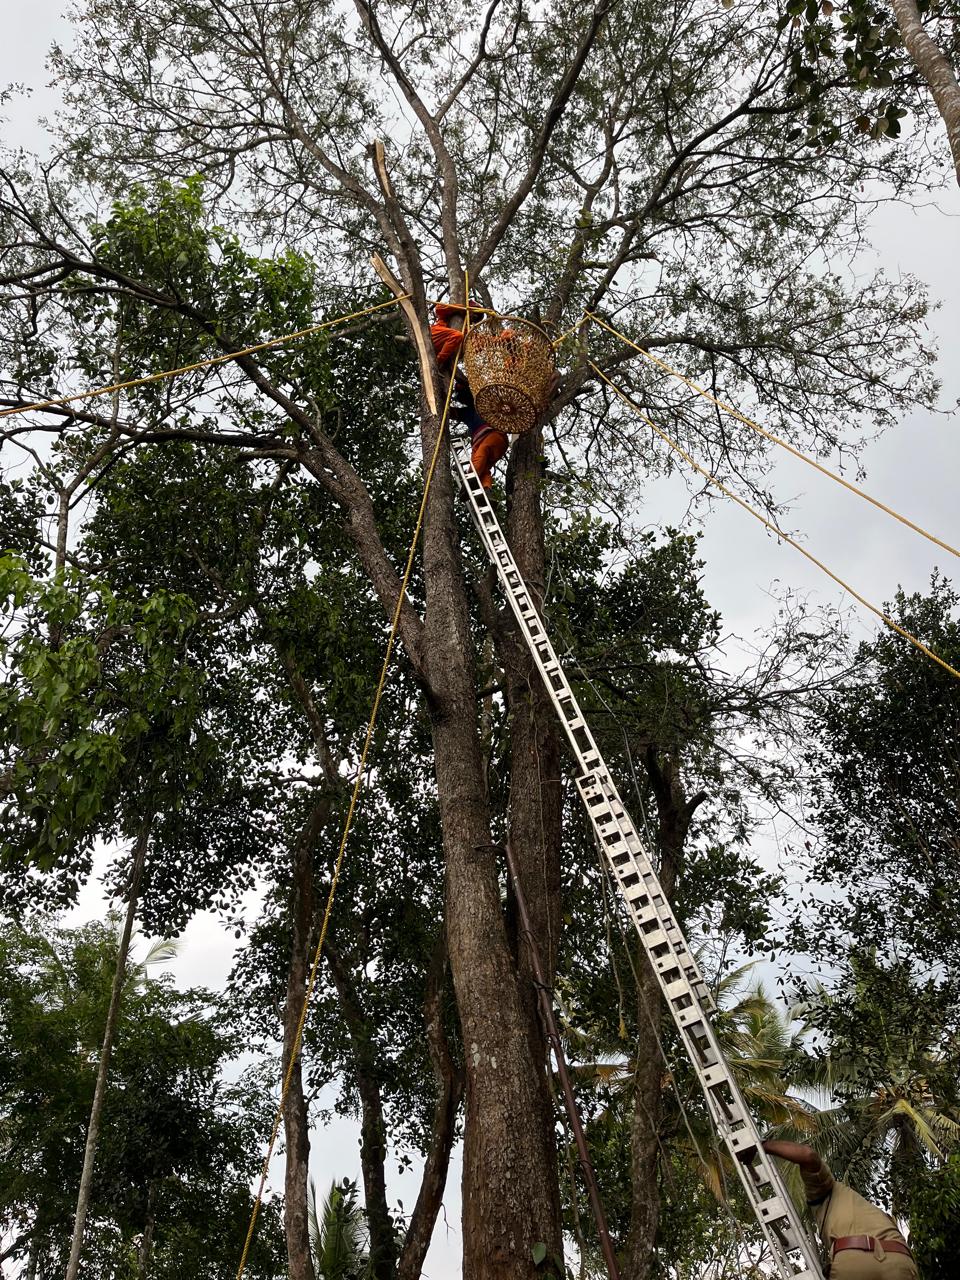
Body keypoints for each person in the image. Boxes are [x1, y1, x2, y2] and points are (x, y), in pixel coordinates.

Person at [760, 1140, 918, 1278]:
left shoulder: (824, 1187)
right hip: (901, 1261)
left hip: (854, 1257)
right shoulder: (867, 1209)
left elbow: (807, 1155)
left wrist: (762, 1145)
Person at [429, 302, 509, 489]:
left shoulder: (480, 403)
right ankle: (486, 489)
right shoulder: (444, 320)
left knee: (480, 459)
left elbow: (466, 391)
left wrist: (500, 341)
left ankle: (470, 482)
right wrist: (465, 308)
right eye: (473, 317)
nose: (472, 320)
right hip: (494, 442)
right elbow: (439, 309)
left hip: (491, 436)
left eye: (475, 318)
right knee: (484, 465)